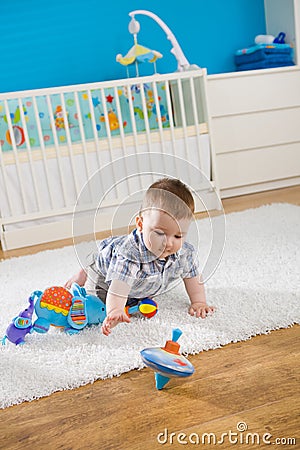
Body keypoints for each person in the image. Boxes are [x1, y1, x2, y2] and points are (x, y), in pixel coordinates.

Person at [65, 178, 215, 336]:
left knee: (137, 298)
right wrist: (115, 310)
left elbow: (193, 278)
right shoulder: (129, 255)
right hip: (106, 275)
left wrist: (199, 302)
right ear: (141, 224)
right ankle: (87, 271)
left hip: (141, 282)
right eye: (160, 233)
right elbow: (118, 288)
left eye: (178, 236)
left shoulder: (185, 253)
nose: (169, 243)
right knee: (98, 307)